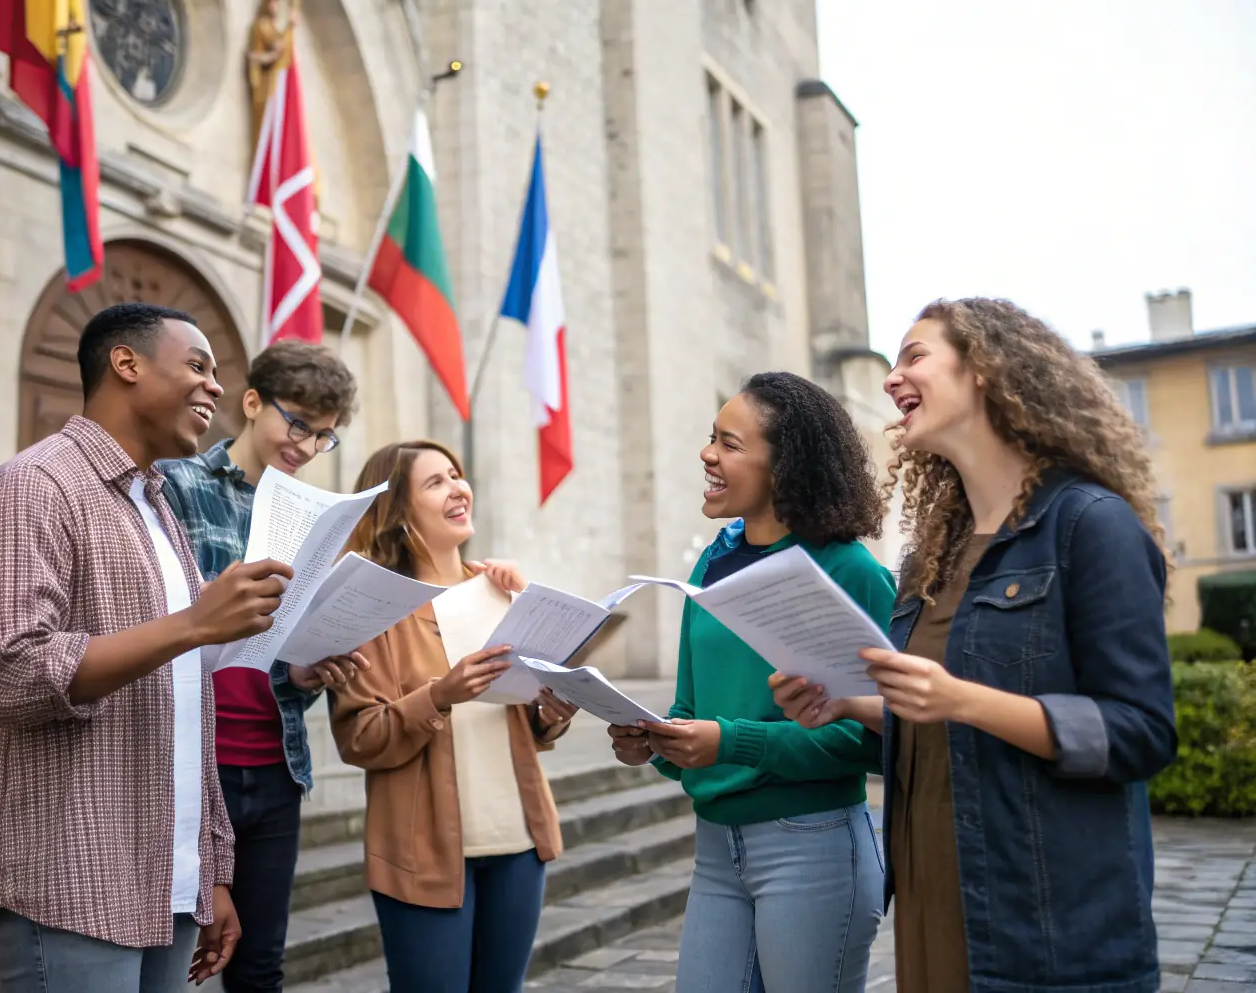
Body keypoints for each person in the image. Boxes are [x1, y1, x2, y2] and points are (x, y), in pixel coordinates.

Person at [771, 298, 1178, 993]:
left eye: (913, 355)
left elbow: (1140, 733)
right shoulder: (929, 557)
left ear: (985, 369)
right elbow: (939, 728)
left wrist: (962, 700)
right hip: (933, 902)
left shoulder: (1090, 525)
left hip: (1044, 928)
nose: (890, 378)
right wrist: (848, 705)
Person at [0, 302, 295, 992]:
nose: (217, 388)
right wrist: (193, 623)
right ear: (125, 363)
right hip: (67, 870)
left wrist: (212, 870)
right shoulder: (32, 487)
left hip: (168, 873)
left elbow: (183, 693)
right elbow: (10, 674)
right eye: (197, 365)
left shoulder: (154, 505)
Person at [609, 372, 894, 993]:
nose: (708, 455)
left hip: (813, 845)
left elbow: (884, 737)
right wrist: (656, 740)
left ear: (785, 466)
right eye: (712, 438)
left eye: (730, 444)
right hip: (715, 849)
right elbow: (693, 705)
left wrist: (732, 742)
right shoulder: (713, 561)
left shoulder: (850, 571)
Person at [328, 440, 580, 993]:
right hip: (422, 851)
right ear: (396, 510)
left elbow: (525, 722)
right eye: (434, 483)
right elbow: (359, 739)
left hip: (517, 841)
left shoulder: (502, 591)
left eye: (456, 475)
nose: (457, 488)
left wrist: (551, 711)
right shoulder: (371, 609)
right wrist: (440, 695)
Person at [159, 339, 363, 993]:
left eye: (323, 436)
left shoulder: (315, 520)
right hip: (190, 759)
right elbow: (168, 625)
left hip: (276, 765)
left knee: (260, 965)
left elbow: (280, 657)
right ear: (251, 403)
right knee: (170, 953)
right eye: (297, 422)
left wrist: (305, 676)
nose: (305, 446)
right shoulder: (176, 486)